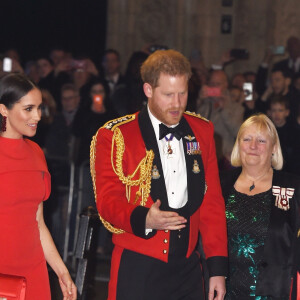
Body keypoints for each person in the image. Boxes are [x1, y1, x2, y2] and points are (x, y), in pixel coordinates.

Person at [91, 49, 228, 300]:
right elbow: (107, 202)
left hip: (188, 268)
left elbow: (212, 204)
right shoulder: (116, 135)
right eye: (168, 95)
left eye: (182, 93)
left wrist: (217, 268)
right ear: (148, 90)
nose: (177, 103)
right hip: (137, 266)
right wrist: (145, 219)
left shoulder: (203, 131)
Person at [0, 73, 77, 300]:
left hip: (34, 269)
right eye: (29, 109)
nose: (38, 116)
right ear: (3, 109)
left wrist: (61, 271)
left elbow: (38, 223)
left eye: (39, 108)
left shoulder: (36, 153)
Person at [220, 114, 300, 299]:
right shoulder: (219, 184)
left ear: (274, 148)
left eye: (261, 140)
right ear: (238, 145)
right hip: (224, 291)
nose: (253, 146)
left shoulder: (294, 188)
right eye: (247, 139)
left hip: (275, 292)